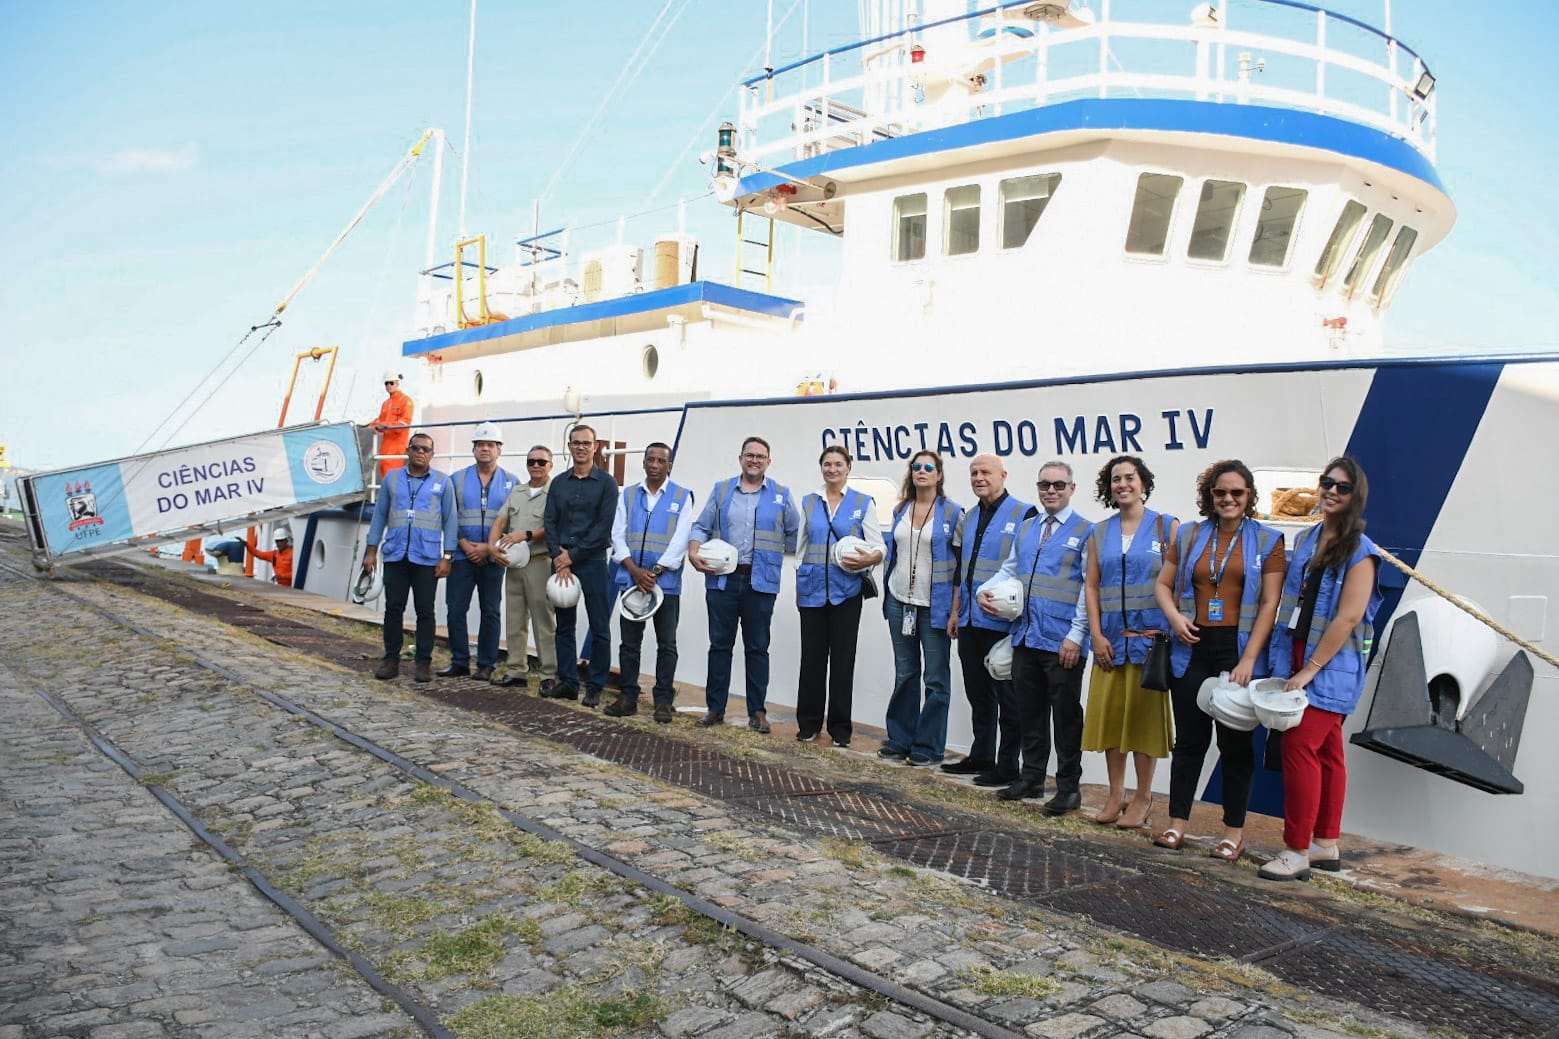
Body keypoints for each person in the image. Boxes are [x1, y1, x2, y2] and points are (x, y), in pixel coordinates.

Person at [1153, 460, 1286, 862]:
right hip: (1192, 644)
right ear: (1209, 495)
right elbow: (1163, 583)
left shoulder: (1268, 540)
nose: (1228, 499)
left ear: (1249, 497)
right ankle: (1177, 823)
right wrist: (1175, 618)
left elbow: (1269, 604)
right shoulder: (1191, 533)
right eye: (1220, 493)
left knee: (1235, 745)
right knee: (1190, 742)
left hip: (1237, 649)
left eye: (1237, 493)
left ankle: (1233, 832)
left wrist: (1248, 659)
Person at [1260, 457, 1383, 881]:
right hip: (1296, 657)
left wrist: (1309, 670)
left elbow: (1348, 618)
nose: (1331, 491)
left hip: (1329, 668)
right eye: (1327, 483)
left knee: (1298, 749)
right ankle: (1326, 843)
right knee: (1329, 753)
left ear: (1355, 496)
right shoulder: (1310, 539)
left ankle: (1296, 851)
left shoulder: (1361, 553)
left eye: (1342, 487)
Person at [977, 461, 1091, 813]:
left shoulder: (1086, 531)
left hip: (1062, 642)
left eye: (1058, 485)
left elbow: (1089, 587)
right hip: (1026, 636)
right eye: (1045, 485)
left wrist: (1076, 636)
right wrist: (985, 590)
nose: (1051, 491)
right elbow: (1011, 568)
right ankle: (1032, 778)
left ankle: (1069, 787)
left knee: (1066, 717)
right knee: (1031, 712)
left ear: (1072, 488)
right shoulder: (1028, 528)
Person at [1082, 455, 1176, 830]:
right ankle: (1116, 792)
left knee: (1142, 724)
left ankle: (1144, 795)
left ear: (1143, 482)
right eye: (1116, 479)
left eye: (1129, 477)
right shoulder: (1099, 533)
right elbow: (1091, 585)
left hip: (1149, 644)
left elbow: (1175, 583)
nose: (1123, 484)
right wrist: (1096, 634)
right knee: (1110, 719)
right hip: (1110, 643)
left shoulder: (1166, 528)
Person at [687, 436, 800, 732]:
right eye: (749, 455)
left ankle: (757, 712)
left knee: (758, 647)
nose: (754, 460)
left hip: (760, 582)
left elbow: (794, 534)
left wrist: (772, 556)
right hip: (723, 580)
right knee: (720, 645)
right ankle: (715, 708)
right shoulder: (721, 491)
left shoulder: (781, 495)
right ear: (740, 459)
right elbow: (700, 526)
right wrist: (694, 551)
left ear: (768, 462)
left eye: (760, 456)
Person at [946, 453, 1036, 786]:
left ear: (1003, 475)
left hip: (1002, 623)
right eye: (974, 472)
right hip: (970, 621)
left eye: (985, 472)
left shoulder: (1025, 514)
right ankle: (981, 754)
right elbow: (961, 571)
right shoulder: (968, 518)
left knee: (1008, 698)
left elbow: (1026, 568)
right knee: (978, 694)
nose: (979, 477)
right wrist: (955, 612)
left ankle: (1008, 764)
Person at [794, 446, 885, 747]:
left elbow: (878, 546)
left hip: (847, 592)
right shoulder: (809, 502)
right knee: (812, 660)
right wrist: (798, 585)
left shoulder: (862, 502)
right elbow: (801, 549)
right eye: (827, 464)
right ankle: (808, 724)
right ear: (821, 468)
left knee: (843, 662)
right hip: (812, 592)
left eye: (838, 464)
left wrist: (868, 560)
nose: (832, 469)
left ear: (848, 468)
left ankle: (840, 729)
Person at [880, 451, 964, 766]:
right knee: (905, 674)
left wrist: (956, 609)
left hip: (935, 607)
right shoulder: (901, 508)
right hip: (900, 601)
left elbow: (960, 569)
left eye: (929, 467)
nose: (922, 471)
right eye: (916, 467)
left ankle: (928, 746)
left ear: (939, 474)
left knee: (936, 678)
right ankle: (900, 738)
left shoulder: (954, 513)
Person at [608, 442, 694, 722]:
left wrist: (654, 571)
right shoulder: (629, 495)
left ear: (669, 466)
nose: (655, 465)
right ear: (643, 463)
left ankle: (663, 702)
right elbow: (617, 535)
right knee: (629, 644)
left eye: (661, 461)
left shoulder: (682, 497)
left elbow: (681, 540)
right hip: (632, 583)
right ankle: (628, 697)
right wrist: (635, 570)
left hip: (665, 584)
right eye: (651, 459)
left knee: (666, 643)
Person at [363, 432, 458, 683]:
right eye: (416, 448)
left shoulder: (443, 482)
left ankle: (423, 663)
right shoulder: (391, 479)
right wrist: (371, 551)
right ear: (408, 450)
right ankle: (391, 659)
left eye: (426, 449)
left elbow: (451, 522)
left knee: (425, 611)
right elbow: (379, 516)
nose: (420, 452)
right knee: (393, 609)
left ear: (432, 454)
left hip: (427, 557)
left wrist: (447, 556)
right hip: (396, 554)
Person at [544, 424, 619, 706]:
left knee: (599, 626)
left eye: (586, 443)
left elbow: (603, 527)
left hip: (593, 562)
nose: (581, 448)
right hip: (562, 561)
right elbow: (549, 521)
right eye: (576, 443)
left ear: (595, 446)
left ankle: (595, 686)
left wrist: (571, 556)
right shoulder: (560, 483)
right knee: (564, 625)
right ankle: (568, 682)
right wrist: (558, 556)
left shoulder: (607, 484)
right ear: (569, 446)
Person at [439, 422, 520, 682]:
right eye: (480, 445)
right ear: (473, 449)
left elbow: (513, 523)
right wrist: (462, 544)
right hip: (463, 556)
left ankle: (486, 664)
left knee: (491, 611)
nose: (485, 449)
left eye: (490, 445)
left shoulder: (512, 482)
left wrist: (489, 548)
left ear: (499, 449)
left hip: (493, 558)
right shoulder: (457, 480)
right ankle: (460, 661)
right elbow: (450, 517)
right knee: (455, 609)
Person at [490, 446, 557, 693]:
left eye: (541, 462)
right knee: (515, 619)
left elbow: (554, 527)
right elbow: (500, 520)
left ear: (551, 465)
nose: (536, 466)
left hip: (539, 562)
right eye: (531, 461)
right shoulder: (517, 492)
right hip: (514, 564)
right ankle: (516, 670)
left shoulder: (555, 493)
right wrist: (492, 547)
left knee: (543, 621)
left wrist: (526, 535)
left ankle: (548, 674)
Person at [370, 370, 415, 478]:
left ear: (398, 383)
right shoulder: (386, 404)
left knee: (394, 478)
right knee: (385, 477)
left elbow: (405, 423)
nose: (389, 385)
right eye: (386, 383)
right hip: (385, 448)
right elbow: (379, 420)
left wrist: (387, 425)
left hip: (397, 448)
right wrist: (374, 425)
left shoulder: (406, 401)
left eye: (391, 383)